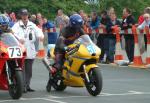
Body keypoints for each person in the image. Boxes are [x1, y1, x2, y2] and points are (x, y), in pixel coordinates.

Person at [12, 9, 44, 92]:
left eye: (26, 15)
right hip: (21, 50)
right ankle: (21, 86)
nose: (24, 16)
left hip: (30, 50)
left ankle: (27, 85)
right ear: (21, 16)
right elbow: (12, 34)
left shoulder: (32, 24)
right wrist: (19, 39)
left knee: (29, 71)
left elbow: (38, 31)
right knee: (21, 70)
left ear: (27, 15)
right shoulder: (16, 25)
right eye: (23, 15)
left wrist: (41, 36)